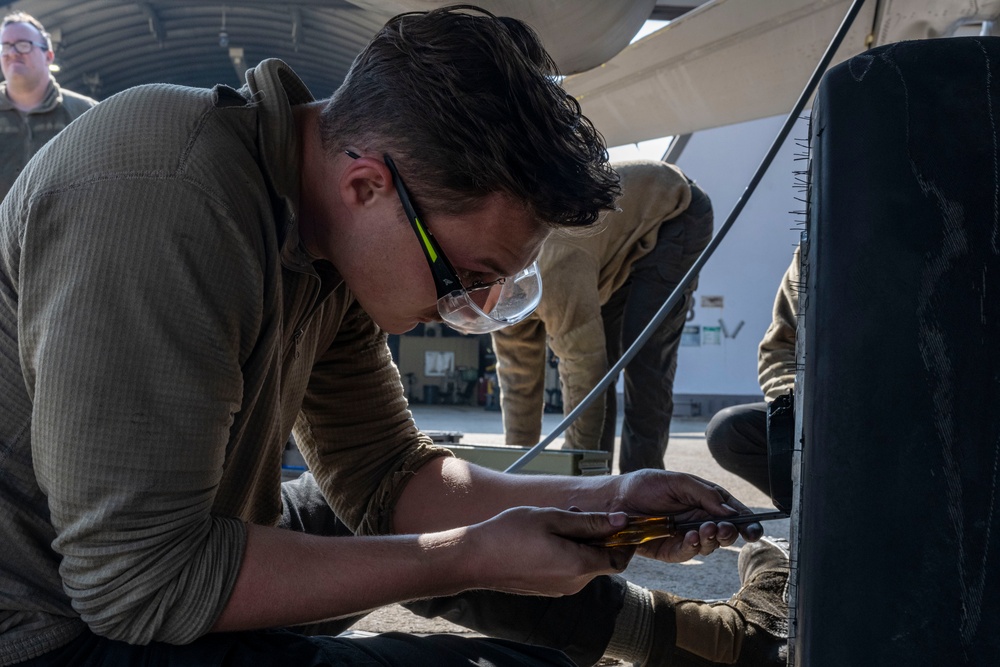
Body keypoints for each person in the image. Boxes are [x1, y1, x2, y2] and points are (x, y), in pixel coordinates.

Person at [0, 7, 788, 667]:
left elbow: (385, 476)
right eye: (467, 273)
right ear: (368, 184)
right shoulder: (162, 201)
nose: (470, 306)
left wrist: (600, 497)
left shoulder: (321, 232)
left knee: (428, 528)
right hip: (52, 626)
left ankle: (706, 642)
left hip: (148, 571)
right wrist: (473, 551)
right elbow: (140, 582)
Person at [492, 160, 713, 473]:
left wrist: (573, 466)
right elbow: (518, 380)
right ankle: (598, 478)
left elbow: (585, 371)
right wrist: (514, 469)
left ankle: (642, 481)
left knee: (643, 356)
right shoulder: (495, 298)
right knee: (605, 361)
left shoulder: (554, 273)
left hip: (672, 210)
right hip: (611, 246)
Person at [706, 246, 799, 495]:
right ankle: (814, 510)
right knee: (728, 430)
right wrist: (799, 407)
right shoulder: (812, 251)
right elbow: (779, 348)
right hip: (826, 412)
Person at [0, 11, 97, 199]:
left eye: (23, 45)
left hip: (64, 227)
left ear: (49, 56)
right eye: (5, 46)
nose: (12, 53)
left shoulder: (86, 113)